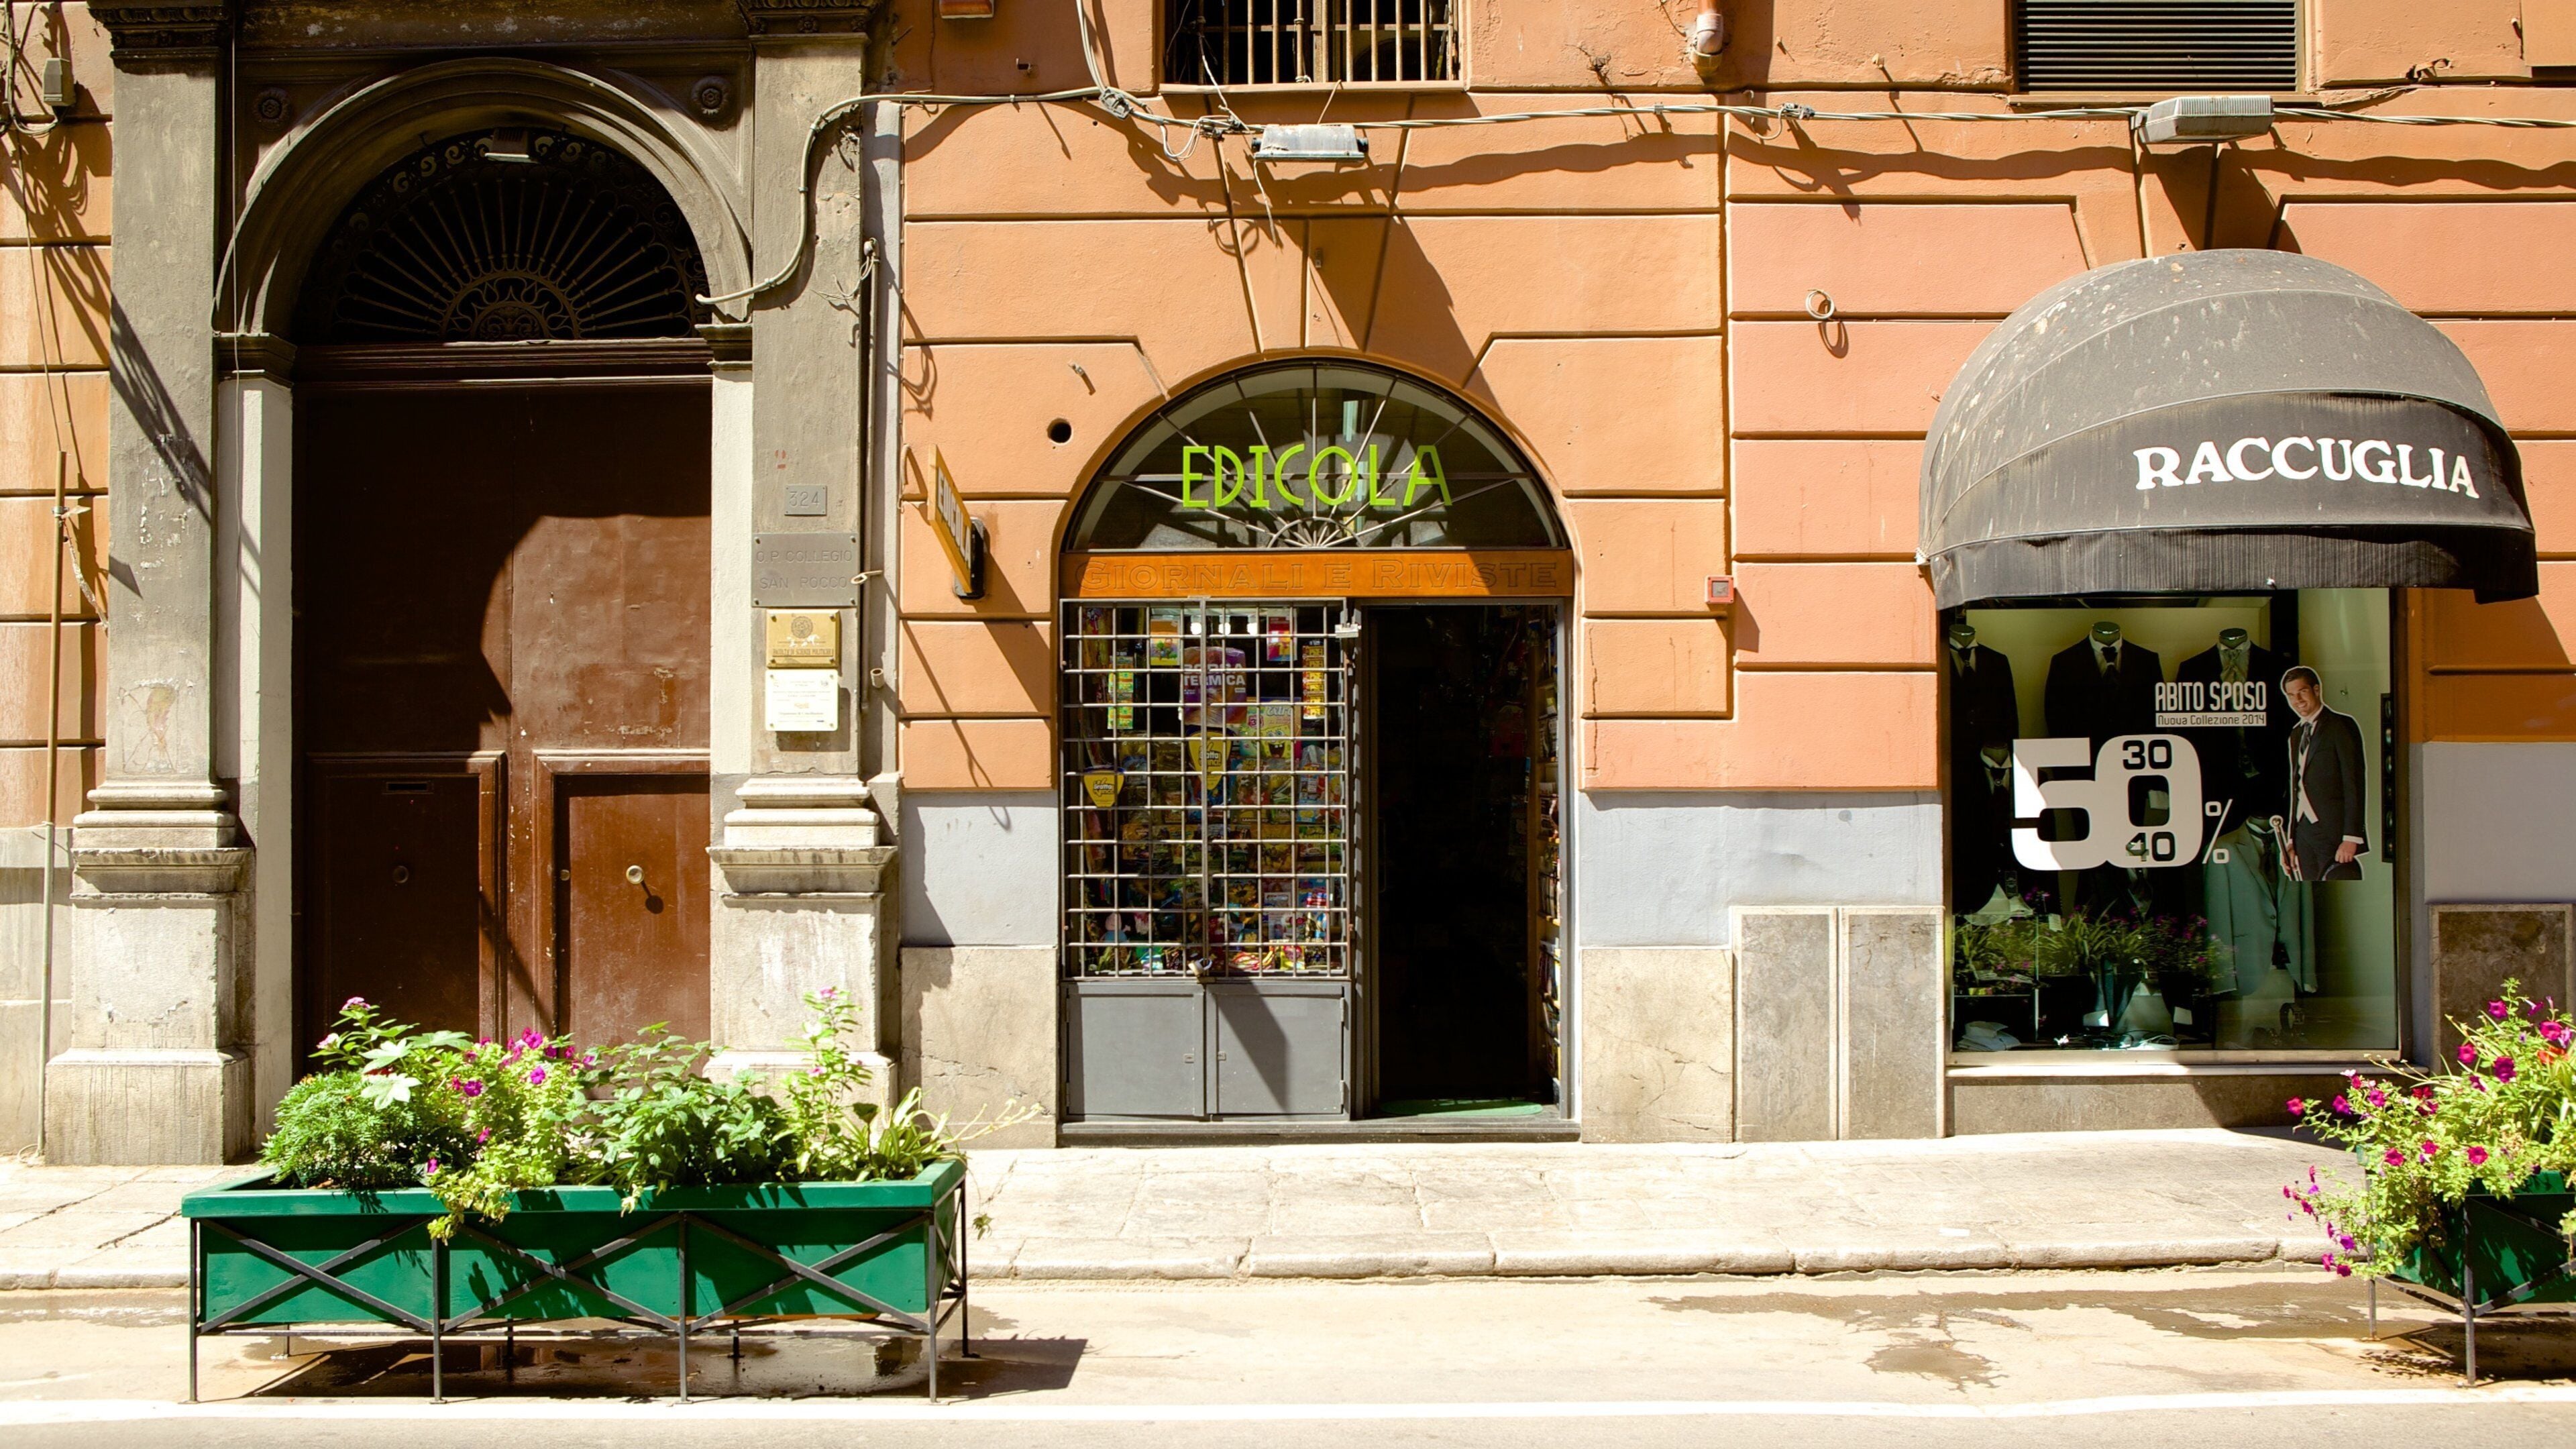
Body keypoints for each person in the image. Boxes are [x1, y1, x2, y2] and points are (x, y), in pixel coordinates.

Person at [2278, 666, 2367, 881]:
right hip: (2302, 833)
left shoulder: (2340, 725)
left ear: (2316, 690)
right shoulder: (2296, 733)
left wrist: (2351, 837)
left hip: (2333, 832)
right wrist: (2291, 841)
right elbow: (2297, 787)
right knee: (2313, 893)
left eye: (2302, 692)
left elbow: (2354, 783)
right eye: (2291, 695)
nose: (2297, 700)